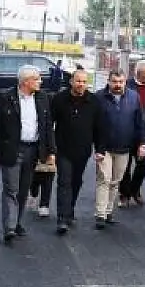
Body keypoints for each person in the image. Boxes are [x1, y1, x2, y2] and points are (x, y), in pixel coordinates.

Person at [0, 65, 55, 242]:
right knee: (11, 189)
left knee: (23, 190)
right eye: (37, 79)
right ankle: (8, 227)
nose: (41, 81)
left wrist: (51, 151)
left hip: (33, 150)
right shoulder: (6, 97)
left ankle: (17, 222)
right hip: (12, 149)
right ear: (26, 81)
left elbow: (47, 127)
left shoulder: (43, 98)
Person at [50, 68, 103, 234]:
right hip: (63, 148)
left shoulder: (93, 102)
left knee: (76, 182)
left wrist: (99, 149)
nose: (81, 84)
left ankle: (70, 209)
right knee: (64, 182)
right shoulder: (59, 99)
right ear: (71, 81)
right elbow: (49, 123)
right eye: (78, 81)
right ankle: (62, 218)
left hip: (83, 150)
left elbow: (99, 128)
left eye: (84, 82)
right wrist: (49, 147)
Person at [93, 70, 145, 229]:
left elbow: (141, 122)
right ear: (108, 81)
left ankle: (109, 211)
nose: (118, 85)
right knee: (103, 179)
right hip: (104, 148)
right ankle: (100, 214)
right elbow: (93, 124)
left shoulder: (133, 97)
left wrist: (142, 143)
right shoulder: (98, 97)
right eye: (114, 81)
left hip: (124, 147)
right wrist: (97, 147)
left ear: (125, 82)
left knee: (115, 181)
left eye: (121, 82)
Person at [119, 60, 145, 207]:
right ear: (139, 73)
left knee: (143, 163)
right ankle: (124, 194)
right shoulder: (126, 85)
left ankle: (134, 190)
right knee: (125, 166)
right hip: (127, 132)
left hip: (144, 132)